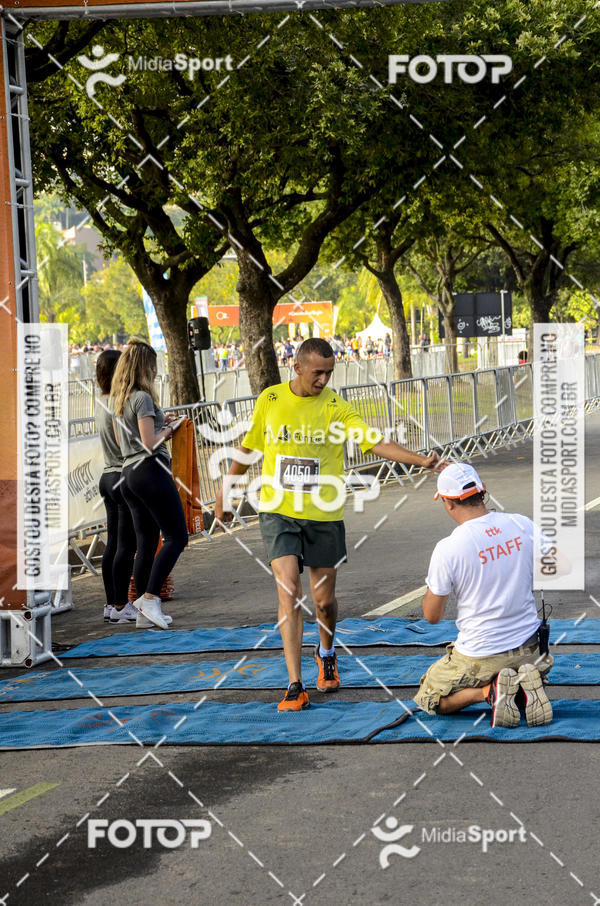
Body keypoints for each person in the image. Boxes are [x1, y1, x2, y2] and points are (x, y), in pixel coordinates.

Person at [215, 337, 444, 712]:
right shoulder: (270, 399)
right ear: (298, 367)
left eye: (329, 373)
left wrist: (423, 461)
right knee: (288, 590)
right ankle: (294, 684)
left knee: (323, 603)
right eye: (317, 372)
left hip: (323, 514)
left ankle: (327, 651)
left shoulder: (336, 407)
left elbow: (375, 443)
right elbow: (247, 450)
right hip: (278, 511)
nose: (323, 380)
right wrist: (225, 495)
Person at [415, 463, 554, 728]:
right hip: (531, 648)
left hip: (481, 655)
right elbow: (555, 565)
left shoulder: (449, 547)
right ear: (483, 491)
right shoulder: (520, 523)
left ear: (448, 503)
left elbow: (431, 616)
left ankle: (490, 692)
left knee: (429, 698)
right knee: (522, 664)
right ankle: (523, 687)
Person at [110, 338, 188, 629]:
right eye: (154, 366)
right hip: (149, 471)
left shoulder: (121, 399)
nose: (156, 372)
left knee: (146, 543)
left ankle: (144, 610)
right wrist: (168, 429)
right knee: (177, 537)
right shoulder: (142, 397)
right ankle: (150, 597)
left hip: (128, 473)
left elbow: (125, 442)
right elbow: (148, 443)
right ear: (145, 367)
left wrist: (158, 422)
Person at [95, 350, 138, 624]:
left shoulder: (101, 402)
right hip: (122, 475)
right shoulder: (117, 405)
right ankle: (122, 605)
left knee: (113, 544)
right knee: (126, 545)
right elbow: (125, 443)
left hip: (108, 477)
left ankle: (112, 603)